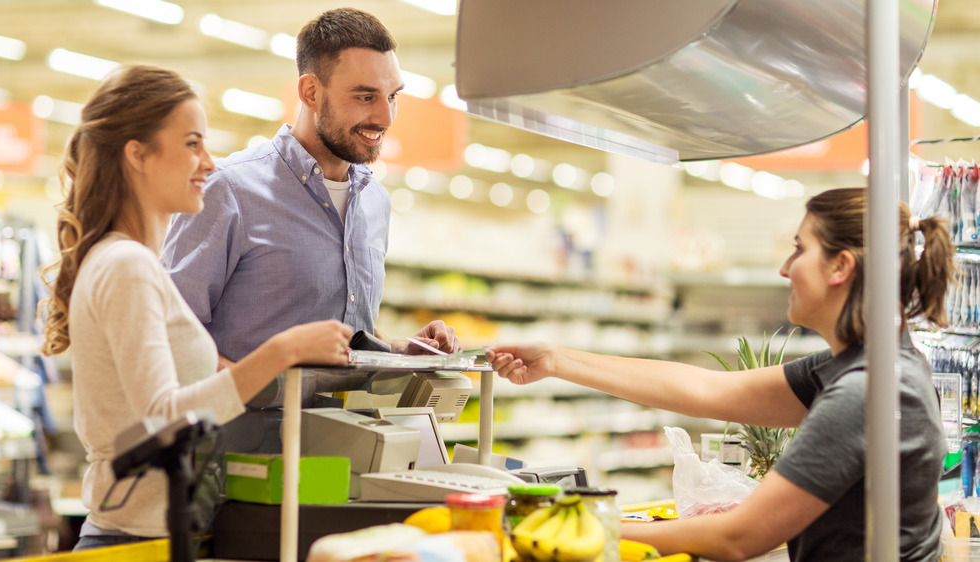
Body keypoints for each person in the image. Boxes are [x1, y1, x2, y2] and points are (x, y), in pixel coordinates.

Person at [488, 188, 953, 561]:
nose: (785, 268)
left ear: (841, 266)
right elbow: (708, 388)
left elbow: (738, 537)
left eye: (799, 249)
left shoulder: (865, 391)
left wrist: (578, 526)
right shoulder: (864, 367)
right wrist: (556, 359)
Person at [40, 64, 353, 551]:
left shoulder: (128, 262)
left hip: (157, 533)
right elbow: (162, 421)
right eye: (192, 143)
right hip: (134, 542)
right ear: (138, 154)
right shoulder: (126, 265)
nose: (209, 162)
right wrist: (281, 352)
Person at [162, 7, 460, 372]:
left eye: (392, 96)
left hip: (351, 427)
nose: (385, 117)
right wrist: (260, 392)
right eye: (366, 97)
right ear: (310, 91)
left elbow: (351, 330)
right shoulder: (229, 190)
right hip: (248, 428)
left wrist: (399, 349)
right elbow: (172, 335)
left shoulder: (374, 201)